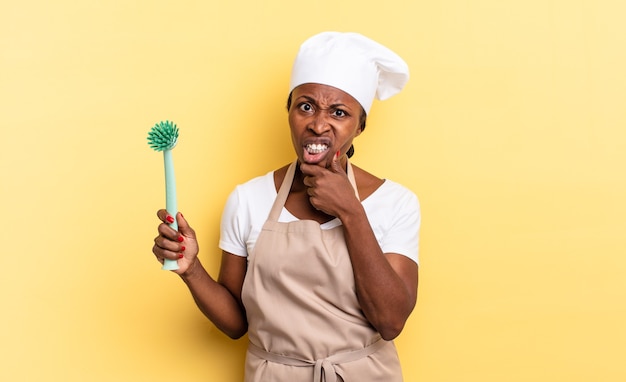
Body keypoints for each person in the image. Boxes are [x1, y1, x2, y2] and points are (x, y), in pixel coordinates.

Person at [152, 31, 420, 381]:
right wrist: (191, 269)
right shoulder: (248, 199)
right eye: (305, 106)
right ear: (289, 112)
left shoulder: (395, 202)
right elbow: (237, 324)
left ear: (359, 126)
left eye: (339, 112)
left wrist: (350, 211)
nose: (318, 124)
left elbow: (390, 321)